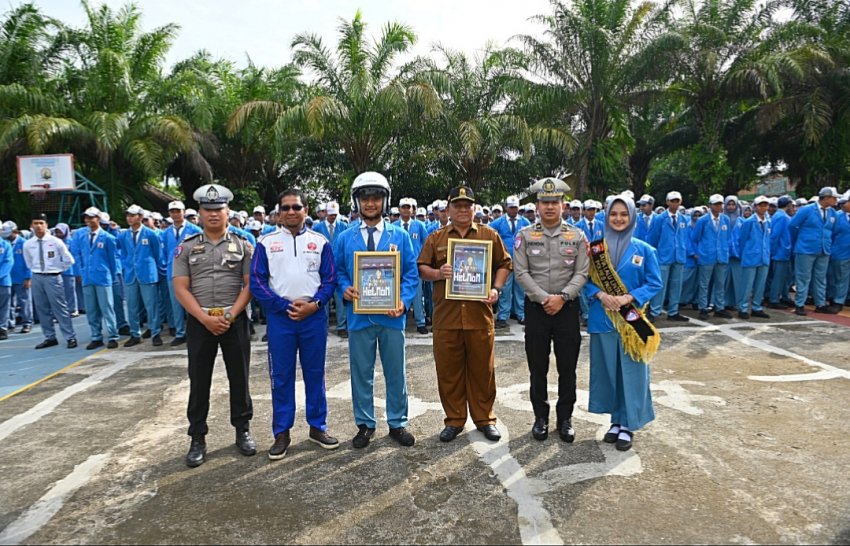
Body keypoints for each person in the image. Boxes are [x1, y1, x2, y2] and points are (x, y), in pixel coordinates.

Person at [418, 185, 512, 443]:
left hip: (479, 316)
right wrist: (438, 274)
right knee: (449, 371)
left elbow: (505, 264)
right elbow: (422, 267)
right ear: (448, 209)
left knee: (483, 371)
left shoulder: (489, 235)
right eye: (457, 205)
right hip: (446, 318)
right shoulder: (435, 238)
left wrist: (496, 288)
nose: (462, 210)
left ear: (474, 208)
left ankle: (485, 419)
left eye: (467, 205)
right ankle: (455, 419)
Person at [251, 188, 338, 460]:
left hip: (313, 317)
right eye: (286, 207)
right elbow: (256, 281)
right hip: (281, 320)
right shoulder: (266, 243)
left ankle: (317, 426)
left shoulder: (320, 241)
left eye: (296, 207)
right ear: (278, 213)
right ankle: (282, 432)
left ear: (306, 210)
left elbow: (330, 279)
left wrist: (315, 304)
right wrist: (282, 306)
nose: (291, 212)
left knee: (315, 374)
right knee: (281, 377)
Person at [173, 183, 256, 468]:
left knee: (240, 377)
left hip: (234, 320)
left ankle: (242, 430)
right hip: (200, 321)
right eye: (207, 210)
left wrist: (231, 315)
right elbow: (181, 287)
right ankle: (197, 437)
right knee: (199, 380)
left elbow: (249, 285)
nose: (213, 214)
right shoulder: (186, 248)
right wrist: (204, 317)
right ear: (198, 213)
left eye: (218, 209)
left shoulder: (244, 246)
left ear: (227, 211)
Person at [334, 172, 420, 449]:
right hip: (359, 317)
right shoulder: (345, 238)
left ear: (385, 201)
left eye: (376, 198)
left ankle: (397, 422)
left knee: (396, 372)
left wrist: (404, 302)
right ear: (356, 202)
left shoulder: (401, 235)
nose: (370, 203)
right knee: (362, 372)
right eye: (365, 198)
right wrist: (344, 287)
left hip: (392, 318)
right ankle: (365, 423)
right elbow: (337, 271)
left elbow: (410, 273)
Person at [583, 195, 662, 452]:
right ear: (607, 216)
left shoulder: (644, 250)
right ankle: (615, 421)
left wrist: (630, 297)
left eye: (623, 214)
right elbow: (582, 278)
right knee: (609, 374)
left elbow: (654, 283)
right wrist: (600, 294)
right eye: (614, 214)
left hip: (631, 321)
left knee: (633, 373)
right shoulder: (594, 250)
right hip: (602, 318)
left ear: (632, 217)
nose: (618, 218)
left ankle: (628, 424)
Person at [513, 178, 589, 442]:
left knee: (567, 368)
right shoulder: (524, 235)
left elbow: (582, 272)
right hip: (537, 310)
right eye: (544, 202)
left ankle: (565, 418)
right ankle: (540, 417)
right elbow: (521, 272)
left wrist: (563, 297)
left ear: (563, 205)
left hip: (567, 310)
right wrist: (545, 298)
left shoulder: (577, 236)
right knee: (538, 367)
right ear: (537, 205)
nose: (549, 207)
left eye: (554, 202)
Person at [22, 213, 78, 349]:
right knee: (42, 308)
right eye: (36, 223)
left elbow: (69, 260)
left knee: (60, 307)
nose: (39, 226)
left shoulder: (55, 241)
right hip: (37, 276)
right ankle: (49, 336)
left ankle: (70, 336)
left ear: (46, 225)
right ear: (31, 226)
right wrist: (36, 271)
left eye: (41, 223)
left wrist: (58, 269)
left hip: (53, 277)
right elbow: (28, 262)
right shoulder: (28, 244)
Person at [73, 207, 120, 349]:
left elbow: (113, 259)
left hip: (103, 276)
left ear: (98, 219)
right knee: (91, 309)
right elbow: (78, 255)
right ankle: (96, 336)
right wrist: (80, 272)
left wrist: (112, 277)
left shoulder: (108, 238)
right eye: (86, 218)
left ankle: (113, 335)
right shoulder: (82, 237)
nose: (88, 220)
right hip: (87, 276)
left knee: (107, 308)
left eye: (91, 217)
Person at [789, 186, 840, 315]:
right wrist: (801, 240)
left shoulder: (832, 212)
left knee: (820, 278)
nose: (836, 200)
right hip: (806, 248)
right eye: (834, 198)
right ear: (826, 198)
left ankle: (820, 303)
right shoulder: (807, 210)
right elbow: (792, 225)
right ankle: (800, 303)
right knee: (803, 277)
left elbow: (832, 230)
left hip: (824, 249)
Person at [118, 205, 162, 346]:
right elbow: (123, 253)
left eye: (133, 215)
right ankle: (135, 333)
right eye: (128, 215)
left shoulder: (151, 234)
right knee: (131, 306)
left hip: (147, 273)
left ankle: (155, 332)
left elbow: (157, 254)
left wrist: (153, 268)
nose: (129, 218)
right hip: (131, 273)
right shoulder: (123, 235)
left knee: (151, 305)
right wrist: (126, 265)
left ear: (141, 217)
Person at [161, 200, 202, 346]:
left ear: (183, 212)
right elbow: (164, 253)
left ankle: (195, 331)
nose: (175, 214)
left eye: (178, 211)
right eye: (172, 211)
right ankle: (180, 332)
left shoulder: (195, 230)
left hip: (192, 272)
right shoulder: (165, 233)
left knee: (192, 302)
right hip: (173, 272)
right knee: (176, 303)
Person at [646, 191, 689, 322]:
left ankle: (673, 311)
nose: (675, 203)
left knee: (677, 285)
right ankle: (655, 310)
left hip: (679, 255)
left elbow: (684, 237)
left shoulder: (683, 219)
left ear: (680, 202)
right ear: (667, 202)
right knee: (661, 285)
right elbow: (653, 238)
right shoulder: (659, 219)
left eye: (677, 201)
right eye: (672, 201)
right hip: (664, 256)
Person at [490, 195, 530, 329]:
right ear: (506, 207)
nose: (513, 210)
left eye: (515, 208)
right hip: (505, 262)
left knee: (520, 288)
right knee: (505, 289)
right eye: (511, 207)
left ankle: (521, 314)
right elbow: (489, 234)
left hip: (521, 260)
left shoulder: (525, 223)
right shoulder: (498, 223)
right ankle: (502, 316)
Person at [692, 194, 733, 319]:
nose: (718, 206)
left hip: (721, 255)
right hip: (707, 256)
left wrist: (726, 251)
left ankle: (719, 307)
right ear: (710, 206)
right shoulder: (703, 220)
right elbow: (695, 238)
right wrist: (698, 253)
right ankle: (703, 308)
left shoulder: (725, 219)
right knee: (704, 283)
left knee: (720, 283)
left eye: (720, 204)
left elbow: (728, 237)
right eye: (716, 204)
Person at [393, 197, 429, 334]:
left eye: (409, 207)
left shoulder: (419, 226)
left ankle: (420, 322)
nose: (406, 210)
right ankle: (400, 320)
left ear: (412, 209)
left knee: (417, 295)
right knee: (397, 294)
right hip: (397, 266)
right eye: (404, 207)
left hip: (414, 266)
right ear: (399, 209)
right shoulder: (394, 226)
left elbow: (426, 244)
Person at [314, 201, 349, 338]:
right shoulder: (317, 228)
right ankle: (324, 325)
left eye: (335, 214)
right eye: (330, 214)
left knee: (340, 298)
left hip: (339, 267)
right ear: (325, 213)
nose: (333, 217)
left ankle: (342, 326)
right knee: (324, 298)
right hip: (323, 268)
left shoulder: (343, 226)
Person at [736, 196, 772, 319]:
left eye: (765, 205)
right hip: (750, 256)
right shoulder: (749, 222)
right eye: (760, 205)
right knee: (747, 284)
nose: (763, 208)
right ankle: (743, 307)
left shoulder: (768, 221)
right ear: (755, 207)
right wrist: (744, 254)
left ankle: (757, 307)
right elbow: (742, 240)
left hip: (764, 256)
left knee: (760, 284)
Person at [1, 221, 32, 333]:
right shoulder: (4, 243)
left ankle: (27, 322)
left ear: (15, 231)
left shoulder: (24, 243)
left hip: (21, 277)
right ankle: (10, 323)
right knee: (9, 303)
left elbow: (29, 261)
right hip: (8, 278)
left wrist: (28, 277)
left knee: (24, 301)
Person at [767, 196, 795, 309]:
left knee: (784, 276)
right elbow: (775, 236)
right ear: (788, 205)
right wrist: (772, 251)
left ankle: (784, 296)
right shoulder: (781, 217)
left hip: (783, 251)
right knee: (778, 277)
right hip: (780, 252)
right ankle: (774, 299)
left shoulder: (781, 216)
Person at [827, 192, 850, 312]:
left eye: (845, 202)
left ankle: (845, 298)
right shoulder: (837, 216)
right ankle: (837, 301)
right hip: (840, 251)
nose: (843, 205)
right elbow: (830, 234)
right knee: (839, 277)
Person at [0, 228, 12, 340]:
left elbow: (8, 262)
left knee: (3, 306)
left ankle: (2, 328)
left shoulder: (5, 245)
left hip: (3, 281)